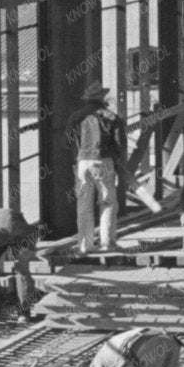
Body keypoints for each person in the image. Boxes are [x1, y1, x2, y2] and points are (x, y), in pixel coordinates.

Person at [64, 84, 125, 251]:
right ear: (102, 99)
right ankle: (108, 243)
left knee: (84, 205)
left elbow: (67, 141)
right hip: (104, 160)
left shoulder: (76, 117)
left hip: (83, 163)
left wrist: (79, 155)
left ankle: (85, 246)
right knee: (107, 202)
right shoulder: (112, 117)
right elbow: (120, 144)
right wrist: (116, 162)